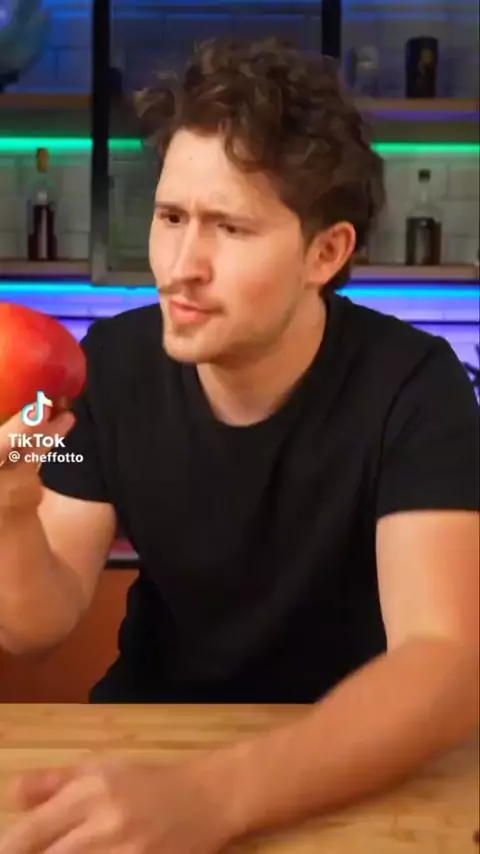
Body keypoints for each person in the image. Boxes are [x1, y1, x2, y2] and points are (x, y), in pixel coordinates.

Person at [0, 36, 478, 854]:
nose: (181, 267)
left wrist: (215, 796)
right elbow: (37, 623)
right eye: (171, 218)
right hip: (149, 746)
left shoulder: (415, 386)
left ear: (325, 253)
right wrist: (11, 514)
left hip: (343, 756)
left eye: (229, 227)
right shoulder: (108, 367)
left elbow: (444, 662)